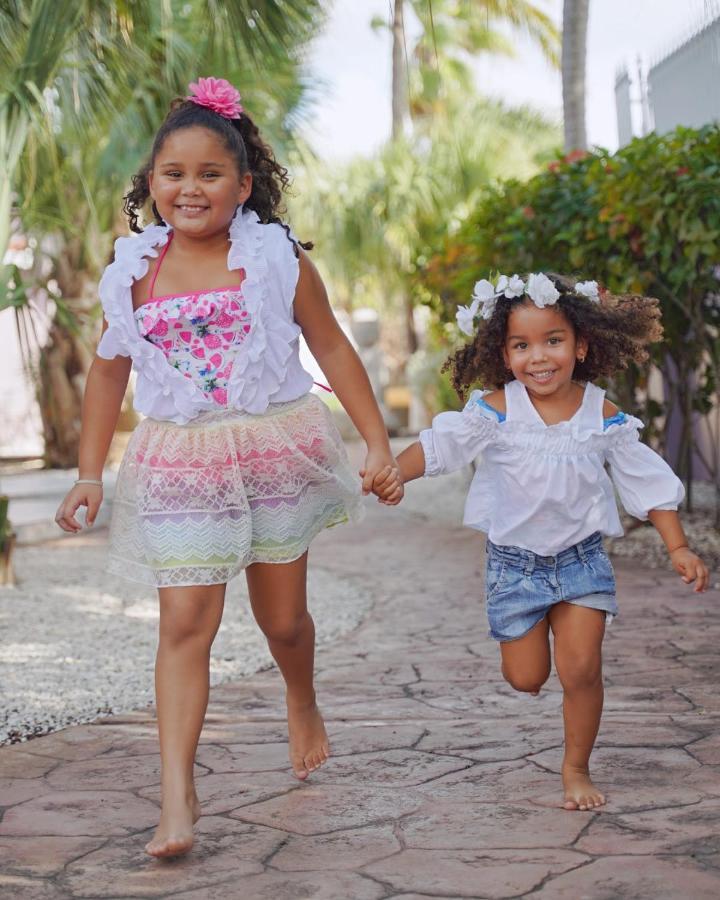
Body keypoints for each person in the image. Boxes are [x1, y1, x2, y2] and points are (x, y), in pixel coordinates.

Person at [55, 77, 400, 858]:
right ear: (151, 182)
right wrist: (87, 474)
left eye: (211, 174)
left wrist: (375, 443)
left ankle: (301, 696)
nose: (189, 188)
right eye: (173, 173)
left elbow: (333, 345)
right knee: (184, 622)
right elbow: (108, 372)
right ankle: (177, 794)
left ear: (244, 186)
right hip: (182, 459)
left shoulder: (276, 258)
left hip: (273, 446)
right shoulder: (132, 271)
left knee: (283, 620)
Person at [373, 272, 709, 811]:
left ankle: (576, 767)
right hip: (515, 567)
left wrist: (678, 547)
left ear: (581, 346)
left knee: (581, 670)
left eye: (553, 341)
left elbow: (644, 480)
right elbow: (442, 448)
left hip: (582, 562)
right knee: (525, 677)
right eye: (522, 345)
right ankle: (531, 667)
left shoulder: (601, 414)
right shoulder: (497, 410)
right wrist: (395, 470)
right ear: (504, 355)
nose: (540, 357)